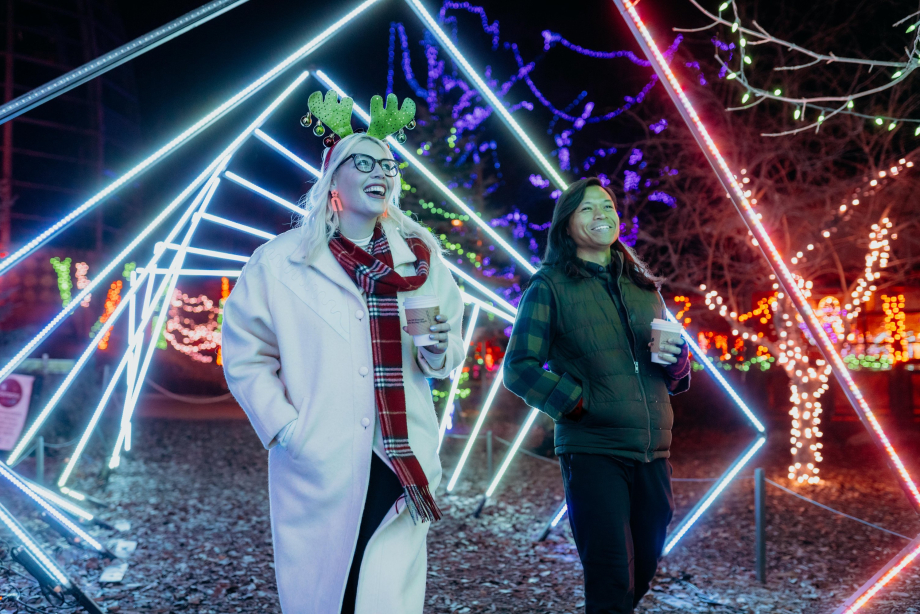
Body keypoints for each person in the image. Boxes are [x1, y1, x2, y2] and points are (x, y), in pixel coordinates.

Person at [221, 93, 464, 614]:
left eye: (388, 164)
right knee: (331, 586)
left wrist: (440, 349)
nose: (381, 172)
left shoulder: (421, 259)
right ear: (333, 177)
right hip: (320, 454)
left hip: (401, 453)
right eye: (364, 161)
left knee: (384, 590)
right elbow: (246, 354)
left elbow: (444, 358)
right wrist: (287, 428)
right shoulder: (281, 262)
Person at [503, 177, 691, 614]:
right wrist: (578, 403)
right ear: (566, 225)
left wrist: (678, 361)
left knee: (643, 567)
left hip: (652, 450)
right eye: (586, 209)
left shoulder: (645, 288)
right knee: (610, 574)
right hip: (593, 450)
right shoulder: (549, 285)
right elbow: (519, 368)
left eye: (606, 205)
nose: (600, 214)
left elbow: (678, 372)